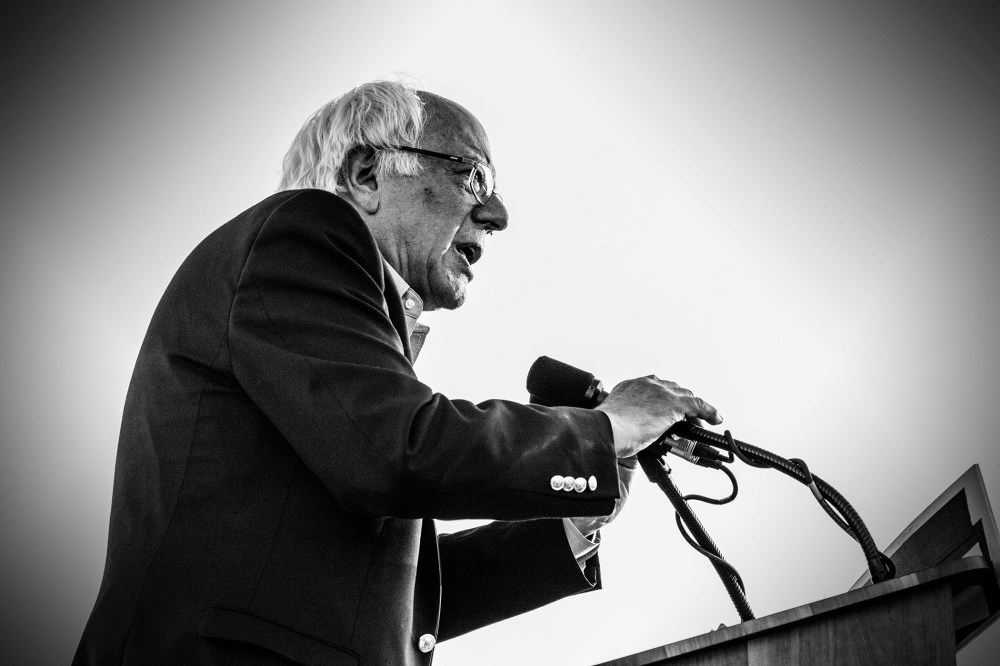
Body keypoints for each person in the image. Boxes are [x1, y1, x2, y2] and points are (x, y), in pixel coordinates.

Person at [73, 81, 722, 665]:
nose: (498, 215)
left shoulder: (316, 334)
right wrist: (599, 434)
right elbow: (398, 449)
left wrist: (577, 515)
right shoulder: (300, 233)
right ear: (365, 174)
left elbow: (398, 606)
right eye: (473, 175)